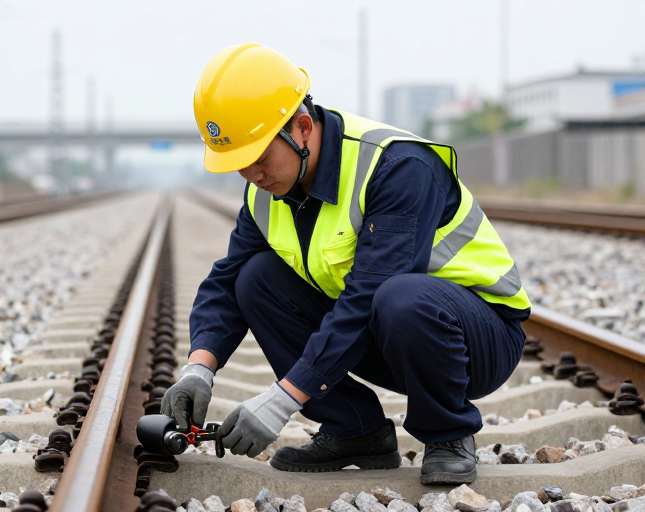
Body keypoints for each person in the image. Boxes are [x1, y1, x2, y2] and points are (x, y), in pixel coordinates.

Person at [161, 43, 530, 484]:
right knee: (254, 277)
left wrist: (283, 401)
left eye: (258, 157)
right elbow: (225, 283)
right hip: (384, 333)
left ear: (300, 127)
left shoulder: (397, 167)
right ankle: (356, 431)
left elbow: (369, 294)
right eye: (238, 164)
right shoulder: (267, 191)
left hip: (474, 340)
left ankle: (448, 434)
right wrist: (198, 369)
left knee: (401, 295)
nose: (252, 175)